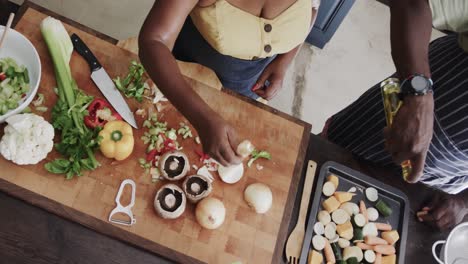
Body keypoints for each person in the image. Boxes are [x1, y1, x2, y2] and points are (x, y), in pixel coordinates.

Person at [324, 0, 468, 230]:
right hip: (390, 120)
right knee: (319, 166)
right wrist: (419, 97)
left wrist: (463, 201)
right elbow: (413, 4)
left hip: (435, 188)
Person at [139, 0, 318, 166]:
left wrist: (283, 62)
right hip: (182, 89)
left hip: (248, 93)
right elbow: (154, 41)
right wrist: (202, 119)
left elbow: (312, 11)